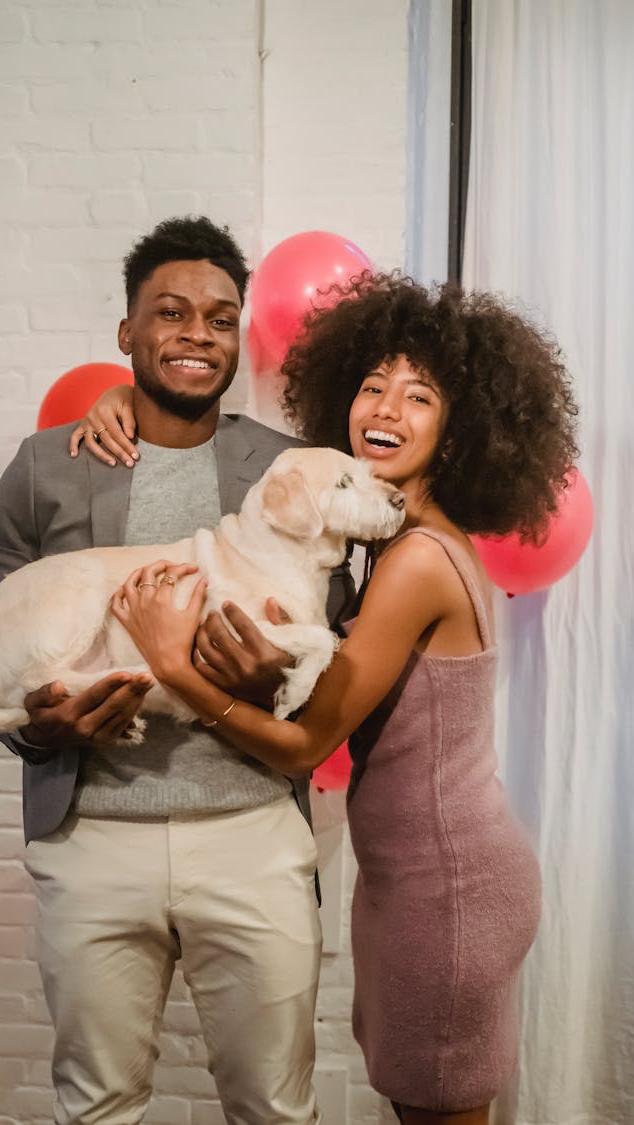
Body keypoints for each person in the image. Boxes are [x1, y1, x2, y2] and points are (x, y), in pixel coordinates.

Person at [104, 273, 580, 1125]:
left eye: (420, 394)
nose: (386, 407)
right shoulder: (400, 541)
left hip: (449, 890)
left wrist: (173, 668)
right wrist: (120, 395)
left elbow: (303, 745)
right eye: (372, 386)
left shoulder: (418, 562)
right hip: (424, 881)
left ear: (462, 427)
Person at [0, 215, 355, 1125]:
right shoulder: (45, 469)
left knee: (274, 1106)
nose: (196, 334)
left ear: (237, 337)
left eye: (220, 319)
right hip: (91, 839)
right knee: (97, 1106)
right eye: (170, 313)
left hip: (253, 836)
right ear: (128, 334)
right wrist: (37, 726)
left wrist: (264, 678)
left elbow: (331, 641)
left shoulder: (286, 468)